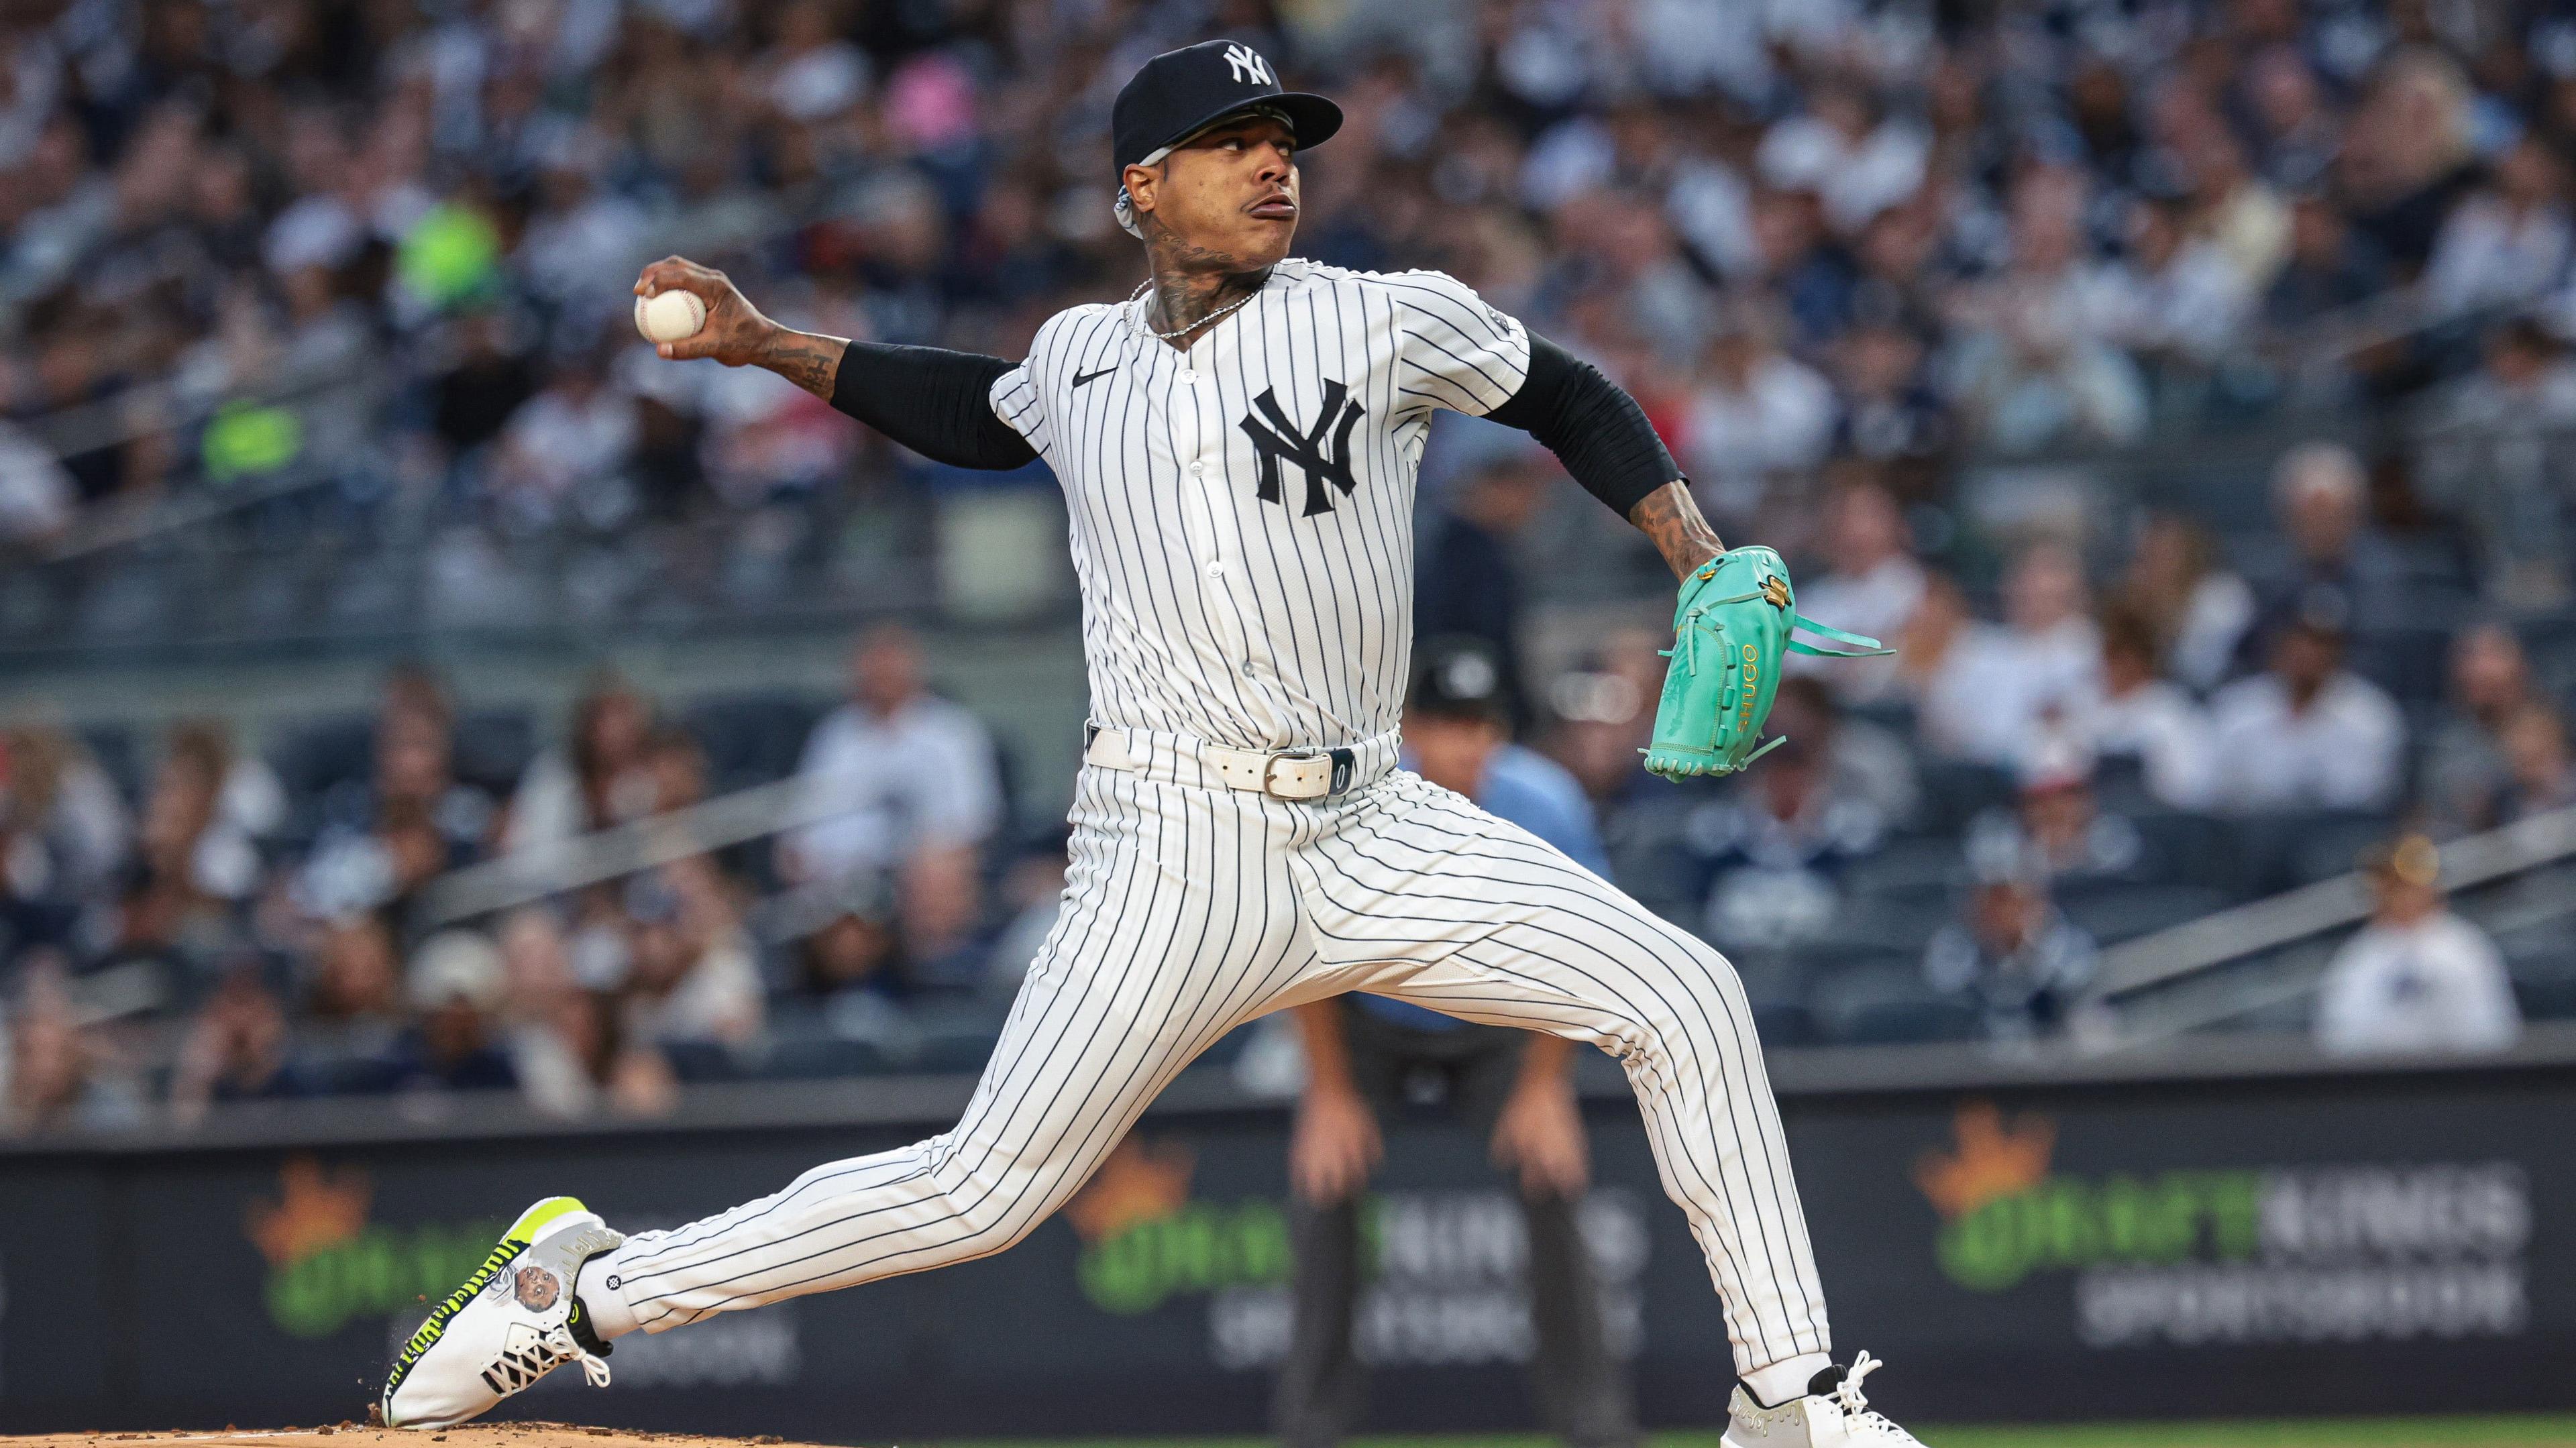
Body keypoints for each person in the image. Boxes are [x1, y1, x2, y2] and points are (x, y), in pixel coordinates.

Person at [382, 42, 1927, 1447]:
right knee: (983, 1190)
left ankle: (1785, 1399)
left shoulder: (1380, 316)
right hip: (1175, 845)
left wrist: (1689, 542)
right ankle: (576, 1293)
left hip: (1375, 817)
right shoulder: (1077, 361)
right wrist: (764, 342)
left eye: (1284, 139)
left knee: (1686, 994)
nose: (1273, 163)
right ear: (1142, 185)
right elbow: (971, 410)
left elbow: (1569, 394)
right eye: (1229, 139)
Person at [1277, 641, 1635, 1448]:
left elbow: (1574, 949)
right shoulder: (1355, 801)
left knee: (1553, 1176)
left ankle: (1597, 1426)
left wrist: (1546, 1085)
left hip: (1499, 1021)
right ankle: (1309, 1430)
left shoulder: (1544, 803)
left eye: (1477, 726)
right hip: (1369, 1018)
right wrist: (1329, 1091)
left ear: (1500, 734)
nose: (1461, 745)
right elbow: (1299, 948)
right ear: (1409, 729)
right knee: (1323, 1186)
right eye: (1445, 724)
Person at [784, 624, 1004, 962]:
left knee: (937, 874)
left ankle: (935, 983)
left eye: (891, 663)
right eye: (872, 664)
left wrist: (913, 862)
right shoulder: (834, 735)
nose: (881, 674)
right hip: (846, 877)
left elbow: (972, 824)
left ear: (915, 668)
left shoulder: (952, 733)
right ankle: (850, 998)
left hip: (920, 870)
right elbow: (802, 828)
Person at [2314, 836, 2519, 1056]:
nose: (2399, 897)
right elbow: (2336, 1038)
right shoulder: (2357, 957)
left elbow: (2491, 1032)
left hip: (2457, 1078)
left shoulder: (2465, 948)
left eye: (2407, 887)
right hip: (2376, 1081)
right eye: (2391, 887)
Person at [2208, 609, 2405, 813]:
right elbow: (2213, 792)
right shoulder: (2234, 708)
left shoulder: (2372, 718)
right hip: (2245, 834)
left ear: (2339, 650)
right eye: (2299, 640)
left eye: (2321, 643)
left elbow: (2366, 804)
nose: (2308, 653)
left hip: (2334, 837)